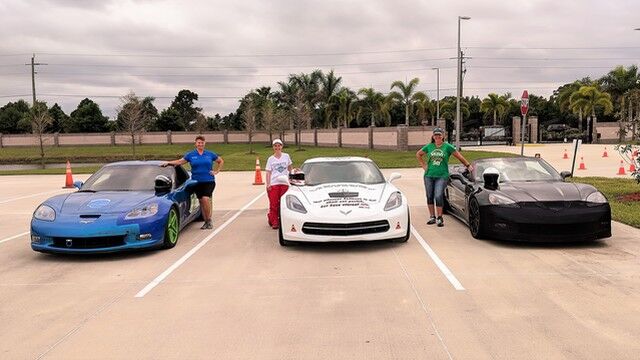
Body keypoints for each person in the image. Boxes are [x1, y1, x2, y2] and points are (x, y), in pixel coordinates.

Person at [162, 135, 223, 230]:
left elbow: (220, 161)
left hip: (208, 181)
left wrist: (216, 171)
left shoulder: (210, 154)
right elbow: (180, 162)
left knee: (206, 199)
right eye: (198, 142)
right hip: (196, 182)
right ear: (195, 144)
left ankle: (208, 220)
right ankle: (206, 221)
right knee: (201, 201)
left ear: (204, 143)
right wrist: (169, 163)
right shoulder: (191, 155)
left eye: (202, 143)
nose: (200, 144)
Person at [416, 127, 473, 227]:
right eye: (435, 135)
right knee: (429, 196)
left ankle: (439, 217)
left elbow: (459, 156)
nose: (437, 137)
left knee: (438, 195)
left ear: (443, 136)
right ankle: (432, 216)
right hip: (429, 175)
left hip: (442, 176)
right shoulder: (429, 146)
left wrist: (468, 165)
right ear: (433, 136)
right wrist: (423, 165)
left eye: (439, 135)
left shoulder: (447, 147)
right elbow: (418, 154)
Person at [265, 139, 292, 229]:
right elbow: (268, 172)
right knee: (274, 204)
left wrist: (291, 179)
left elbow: (289, 168)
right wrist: (268, 184)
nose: (277, 147)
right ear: (273, 147)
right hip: (274, 183)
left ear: (282, 146)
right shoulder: (271, 159)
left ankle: (282, 220)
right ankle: (274, 221)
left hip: (284, 183)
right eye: (275, 146)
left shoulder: (286, 156)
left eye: (279, 145)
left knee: (283, 203)